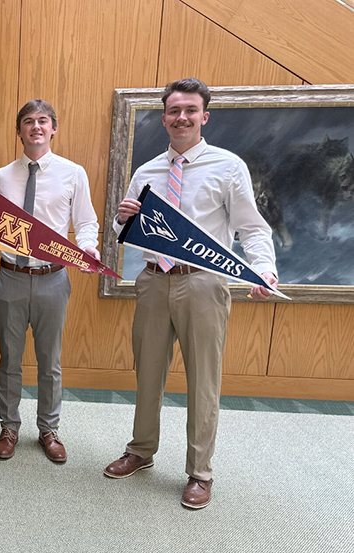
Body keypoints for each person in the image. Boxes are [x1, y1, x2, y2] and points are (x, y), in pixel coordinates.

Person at [104, 78, 278, 509]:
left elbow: (251, 228)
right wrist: (120, 219)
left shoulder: (227, 166)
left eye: (190, 110)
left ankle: (200, 473)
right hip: (152, 281)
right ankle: (141, 450)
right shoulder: (147, 172)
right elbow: (120, 230)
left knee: (204, 381)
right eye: (174, 111)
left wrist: (264, 269)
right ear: (164, 117)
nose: (181, 117)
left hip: (203, 282)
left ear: (204, 116)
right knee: (147, 373)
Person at [0, 100, 100, 464]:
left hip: (52, 279)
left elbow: (87, 221)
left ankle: (48, 428)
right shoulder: (2, 175)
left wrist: (88, 247)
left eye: (42, 121)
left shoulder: (73, 173)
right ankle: (9, 427)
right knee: (10, 359)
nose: (35, 127)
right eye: (28, 122)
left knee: (50, 361)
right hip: (11, 278)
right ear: (19, 131)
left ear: (53, 128)